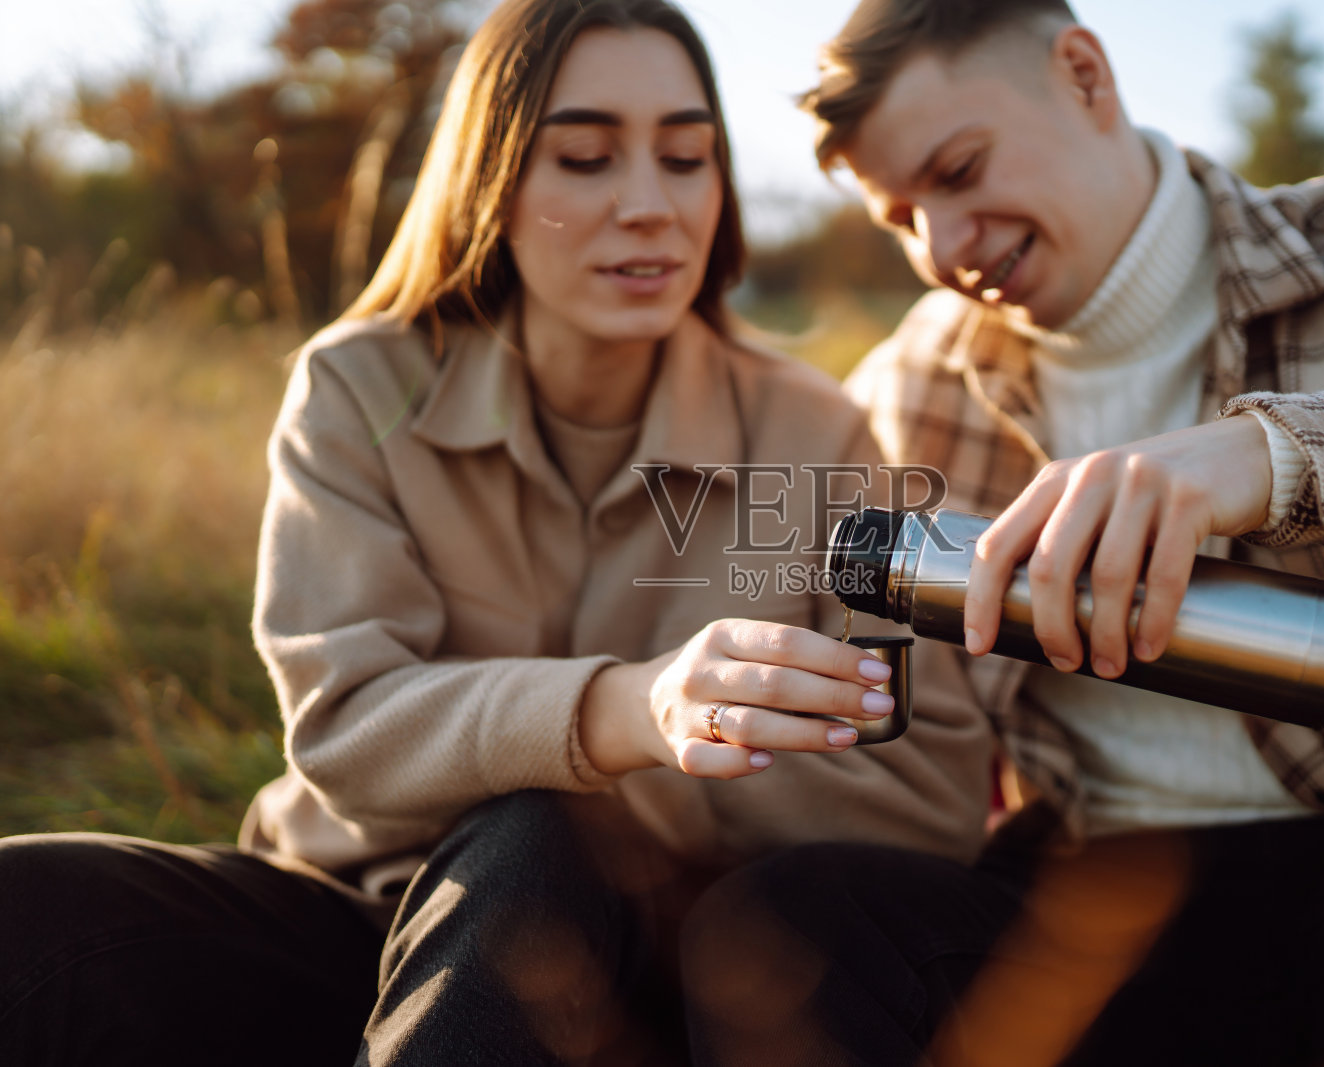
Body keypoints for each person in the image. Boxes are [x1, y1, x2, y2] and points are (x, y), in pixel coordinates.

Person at [0, 2, 994, 1064]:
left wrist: (648, 759)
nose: (651, 205)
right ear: (493, 181)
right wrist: (627, 708)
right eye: (584, 156)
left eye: (687, 155)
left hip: (645, 981)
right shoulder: (359, 382)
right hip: (355, 923)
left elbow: (927, 790)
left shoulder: (816, 431)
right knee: (26, 905)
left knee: (539, 835)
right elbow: (345, 725)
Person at [678, 2, 1324, 1065]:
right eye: (900, 217)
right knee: (783, 918)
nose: (943, 246)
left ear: (1082, 74)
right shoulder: (909, 388)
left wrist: (1274, 459)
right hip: (1086, 925)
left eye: (961, 169)